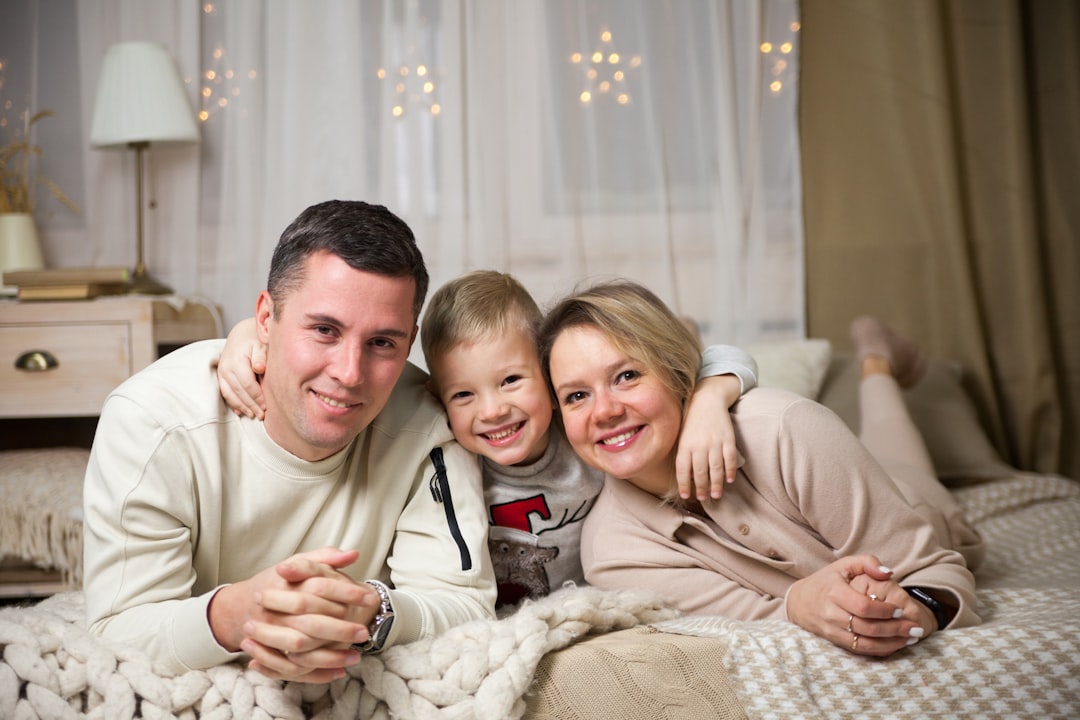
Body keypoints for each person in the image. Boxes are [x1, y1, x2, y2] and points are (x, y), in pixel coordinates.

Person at [82, 200, 496, 684]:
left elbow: (467, 605)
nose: (348, 373)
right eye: (324, 330)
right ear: (264, 318)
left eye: (382, 342)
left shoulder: (432, 429)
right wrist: (233, 615)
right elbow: (117, 629)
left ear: (410, 343)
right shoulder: (152, 421)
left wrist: (369, 611)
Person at [219, 269, 760, 609]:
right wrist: (246, 337)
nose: (493, 410)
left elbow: (704, 354)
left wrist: (710, 400)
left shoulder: (584, 431)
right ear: (439, 398)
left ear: (550, 379)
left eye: (510, 382)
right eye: (464, 396)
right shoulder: (442, 452)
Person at [537, 279, 984, 657]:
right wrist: (795, 605)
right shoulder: (612, 553)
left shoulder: (784, 428)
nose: (605, 411)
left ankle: (876, 358)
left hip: (909, 498)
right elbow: (751, 620)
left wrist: (919, 608)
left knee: (899, 455)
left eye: (627, 375)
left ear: (677, 375)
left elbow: (932, 570)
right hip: (797, 464)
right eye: (576, 396)